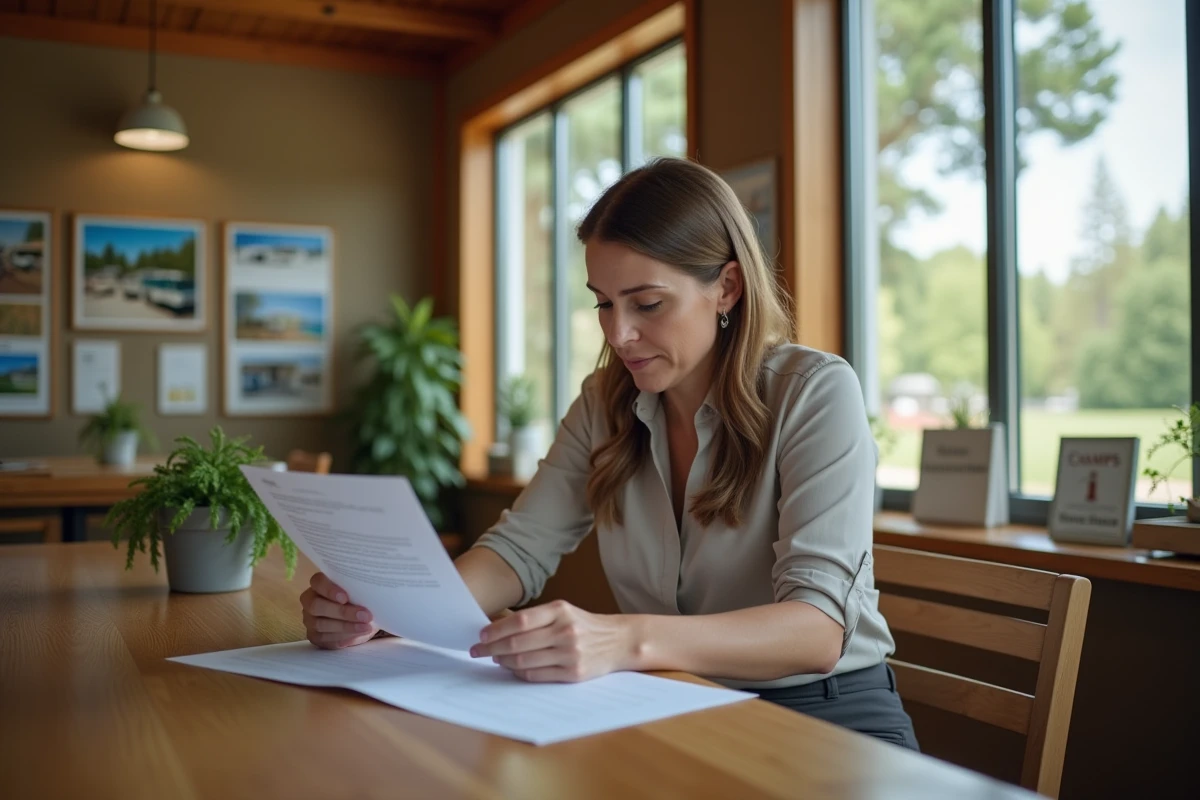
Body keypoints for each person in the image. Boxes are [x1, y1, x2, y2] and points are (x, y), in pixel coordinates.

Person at [300, 157, 918, 750]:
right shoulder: (604, 402)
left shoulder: (812, 392)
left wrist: (622, 640)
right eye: (604, 302)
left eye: (647, 304)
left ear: (726, 287)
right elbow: (518, 550)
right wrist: (393, 611)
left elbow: (816, 631)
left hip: (823, 716)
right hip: (672, 706)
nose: (617, 333)